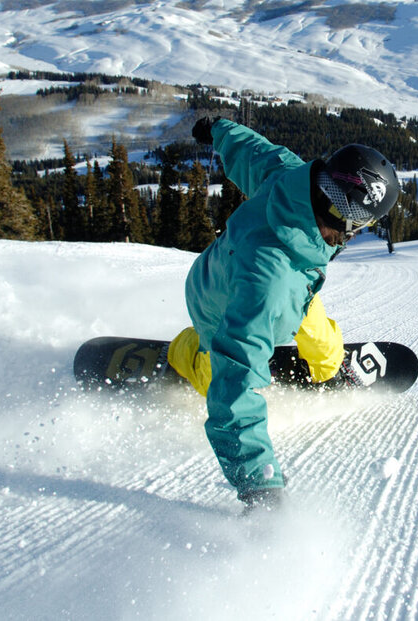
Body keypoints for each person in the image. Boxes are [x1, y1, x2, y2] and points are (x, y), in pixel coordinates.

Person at [167, 115, 401, 512]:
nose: (359, 233)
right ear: (344, 216)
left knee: (322, 336)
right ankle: (190, 350)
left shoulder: (294, 178)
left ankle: (328, 367)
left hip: (291, 283)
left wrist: (219, 130)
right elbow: (237, 385)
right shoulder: (269, 285)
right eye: (363, 224)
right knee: (217, 378)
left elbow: (252, 151)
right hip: (217, 300)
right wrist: (261, 486)